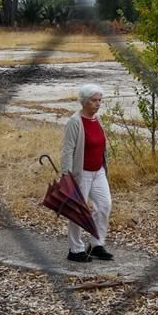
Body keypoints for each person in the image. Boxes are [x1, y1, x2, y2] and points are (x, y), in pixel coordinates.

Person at [59, 83, 113, 263]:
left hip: (98, 172)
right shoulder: (75, 122)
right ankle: (75, 249)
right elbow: (67, 150)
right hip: (80, 173)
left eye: (99, 100)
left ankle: (96, 244)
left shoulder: (97, 119)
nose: (97, 104)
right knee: (78, 210)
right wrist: (66, 176)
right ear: (84, 101)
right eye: (93, 100)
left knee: (104, 205)